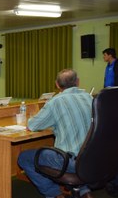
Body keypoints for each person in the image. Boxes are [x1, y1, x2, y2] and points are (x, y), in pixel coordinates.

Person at [17, 69, 93, 198]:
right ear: (78, 82)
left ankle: (54, 194)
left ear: (57, 84)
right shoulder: (90, 97)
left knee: (24, 158)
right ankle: (84, 190)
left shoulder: (56, 101)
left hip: (71, 162)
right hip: (94, 158)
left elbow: (32, 125)